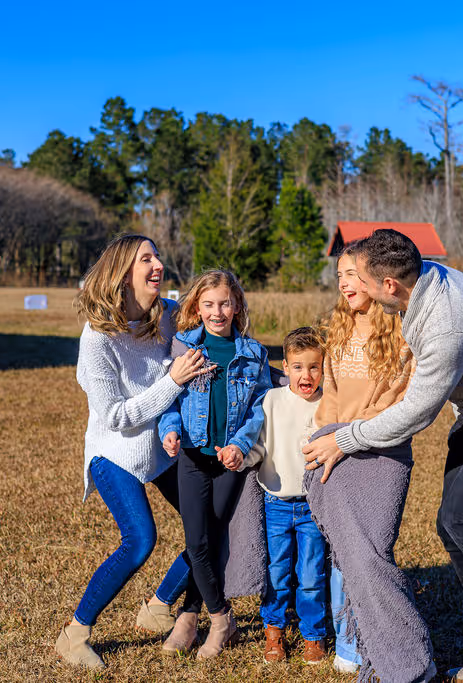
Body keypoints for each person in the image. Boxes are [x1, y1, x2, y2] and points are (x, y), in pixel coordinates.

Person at [303, 229, 463, 683]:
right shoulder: (420, 283)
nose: (355, 288)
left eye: (362, 280)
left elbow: (416, 413)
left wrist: (343, 439)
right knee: (450, 523)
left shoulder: (448, 321)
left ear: (389, 285)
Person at [54, 234, 212, 671]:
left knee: (210, 525)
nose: (158, 264)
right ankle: (74, 634)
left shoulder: (167, 317)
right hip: (115, 453)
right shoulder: (97, 339)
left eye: (157, 256)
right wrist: (173, 382)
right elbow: (115, 417)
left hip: (164, 446)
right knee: (140, 539)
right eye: (147, 258)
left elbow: (215, 325)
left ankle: (158, 605)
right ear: (123, 273)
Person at [304, 247, 433, 682]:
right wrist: (326, 435)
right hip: (335, 448)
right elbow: (333, 394)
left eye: (353, 274)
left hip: (384, 452)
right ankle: (350, 642)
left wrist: (350, 437)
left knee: (372, 552)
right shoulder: (337, 328)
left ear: (377, 280)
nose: (343, 282)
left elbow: (397, 398)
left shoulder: (401, 330)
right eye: (338, 274)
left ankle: (403, 654)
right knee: (344, 553)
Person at [157, 269, 272, 659]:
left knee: (215, 537)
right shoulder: (184, 346)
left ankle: (188, 617)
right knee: (196, 539)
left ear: (236, 304)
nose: (217, 311)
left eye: (224, 303)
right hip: (191, 455)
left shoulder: (253, 353)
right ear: (197, 307)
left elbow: (260, 408)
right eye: (208, 304)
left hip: (230, 463)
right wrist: (169, 429)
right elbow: (170, 399)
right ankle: (221, 618)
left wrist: (240, 444)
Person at [238, 326, 328, 665]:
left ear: (324, 368)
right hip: (275, 503)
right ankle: (273, 633)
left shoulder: (328, 404)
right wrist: (242, 457)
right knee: (276, 572)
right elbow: (261, 445)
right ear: (285, 367)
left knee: (310, 574)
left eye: (314, 367)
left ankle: (313, 636)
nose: (306, 375)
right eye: (298, 367)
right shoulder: (273, 400)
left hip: (313, 507)